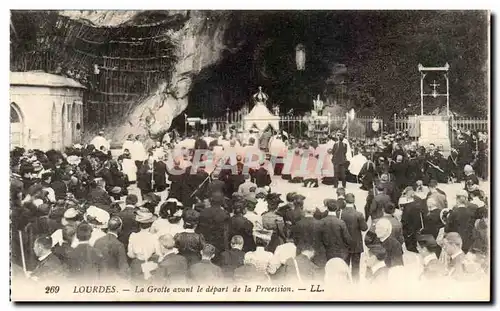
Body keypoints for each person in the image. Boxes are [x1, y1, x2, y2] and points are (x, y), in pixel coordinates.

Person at [338, 193, 367, 282]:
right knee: (355, 267)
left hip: (344, 243)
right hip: (356, 244)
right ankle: (355, 284)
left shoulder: (340, 213)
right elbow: (364, 228)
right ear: (354, 201)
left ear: (345, 201)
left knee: (344, 265)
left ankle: (346, 282)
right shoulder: (359, 214)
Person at [127, 210, 161, 281]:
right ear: (151, 224)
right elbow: (158, 253)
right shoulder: (154, 236)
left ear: (139, 224)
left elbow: (131, 254)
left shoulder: (133, 236)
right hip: (151, 266)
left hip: (136, 266)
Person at [93, 216, 129, 280]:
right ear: (119, 228)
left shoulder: (98, 241)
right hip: (112, 279)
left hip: (99, 277)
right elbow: (123, 266)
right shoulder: (119, 244)